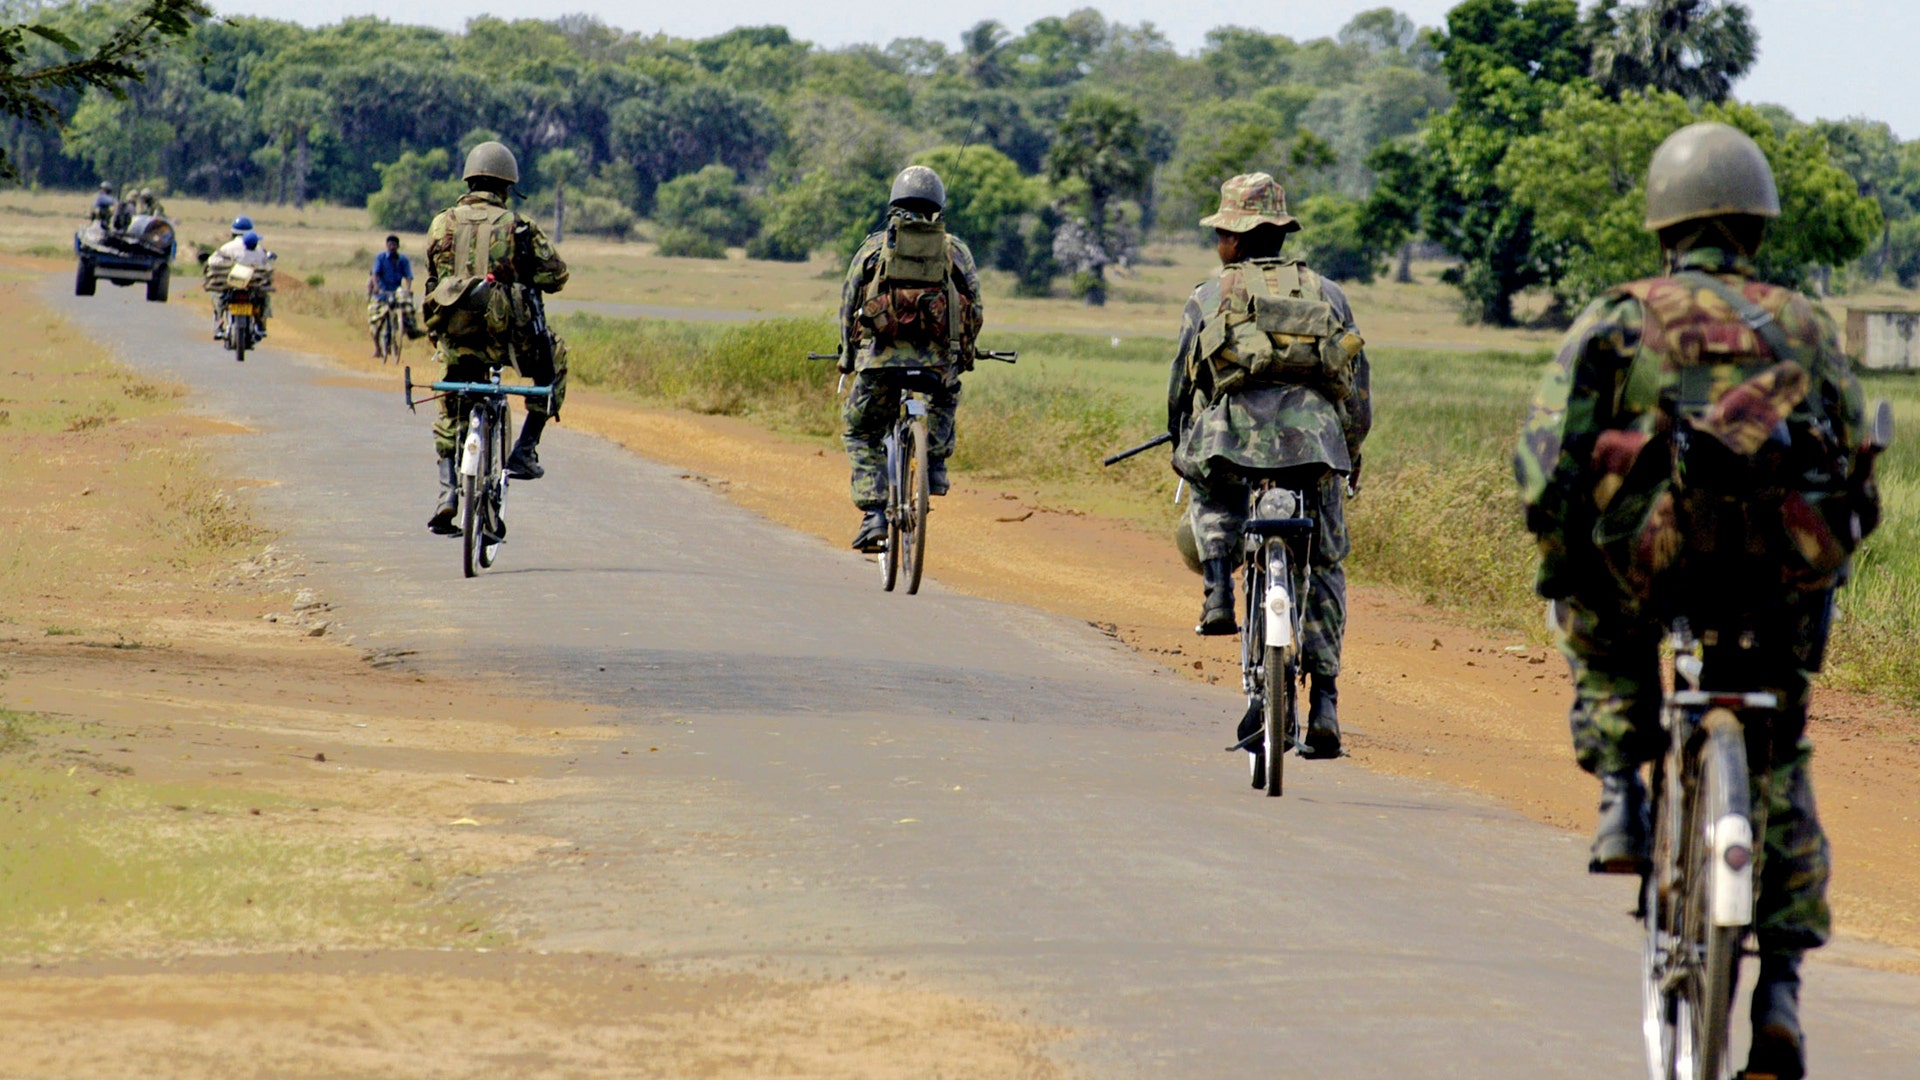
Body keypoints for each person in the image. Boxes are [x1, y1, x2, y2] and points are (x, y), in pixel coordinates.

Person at [1513, 122, 1880, 1080]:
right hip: (1775, 591)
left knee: (1596, 627)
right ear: (1757, 222)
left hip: (1646, 569)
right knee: (1781, 750)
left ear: (1664, 224)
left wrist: (1564, 559)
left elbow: (1542, 468)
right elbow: (1858, 481)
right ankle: (1783, 996)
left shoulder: (1619, 317)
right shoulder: (1804, 326)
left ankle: (1618, 799)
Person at [1166, 173, 1371, 762]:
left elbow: (1183, 381)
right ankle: (1326, 701)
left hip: (1234, 444)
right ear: (1280, 234)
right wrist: (1349, 455)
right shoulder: (1327, 293)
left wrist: (1181, 439)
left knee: (1205, 481)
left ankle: (1217, 594)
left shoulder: (1209, 293)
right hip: (1317, 448)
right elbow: (1357, 392)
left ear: (1233, 238)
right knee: (1326, 563)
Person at [420, 141, 569, 535]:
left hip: (456, 336)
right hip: (508, 340)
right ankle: (524, 450)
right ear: (507, 186)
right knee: (556, 361)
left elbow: (432, 277)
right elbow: (557, 275)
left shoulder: (441, 223)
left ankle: (447, 492)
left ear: (470, 178)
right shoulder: (518, 227)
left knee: (451, 410)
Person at [836, 165, 984, 552]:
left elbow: (849, 302)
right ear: (937, 205)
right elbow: (976, 309)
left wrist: (849, 358)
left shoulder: (873, 247)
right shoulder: (954, 249)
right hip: (936, 365)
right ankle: (933, 466)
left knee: (860, 430)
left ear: (894, 202)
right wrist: (961, 357)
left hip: (880, 365)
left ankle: (873, 515)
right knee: (947, 396)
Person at [366, 234, 423, 358]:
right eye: (390, 244)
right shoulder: (380, 258)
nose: (392, 247)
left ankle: (410, 328)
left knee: (407, 304)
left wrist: (408, 289)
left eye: (394, 245)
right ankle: (378, 349)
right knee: (374, 320)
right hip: (381, 293)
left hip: (396, 291)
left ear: (398, 246)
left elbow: (408, 277)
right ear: (387, 246)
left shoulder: (403, 260)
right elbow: (375, 274)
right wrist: (376, 287)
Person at [204, 215, 259, 338]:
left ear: (233, 233)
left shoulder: (227, 247)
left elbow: (213, 262)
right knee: (261, 299)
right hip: (250, 285)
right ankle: (260, 326)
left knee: (217, 295)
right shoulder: (258, 249)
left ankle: (218, 323)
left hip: (231, 283)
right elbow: (266, 265)